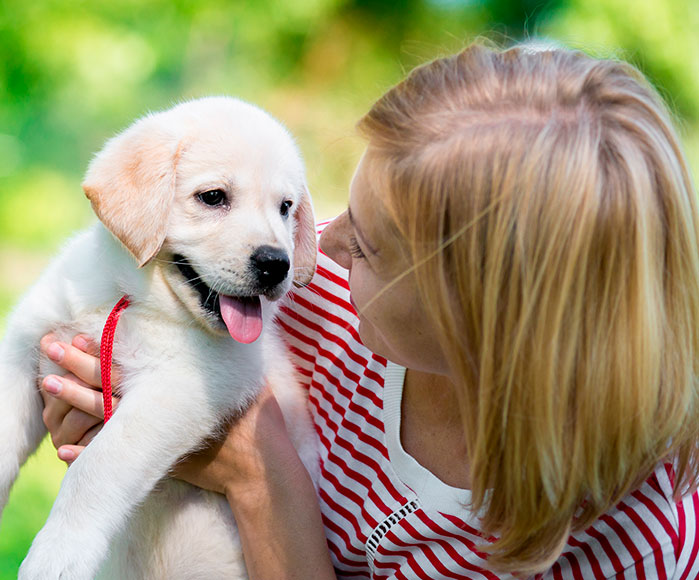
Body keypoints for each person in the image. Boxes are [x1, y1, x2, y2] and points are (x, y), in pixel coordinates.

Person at [37, 42, 699, 578]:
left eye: (370, 246)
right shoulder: (313, 298)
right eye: (345, 207)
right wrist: (91, 401)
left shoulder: (629, 545)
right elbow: (113, 365)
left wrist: (259, 477)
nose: (321, 243)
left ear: (479, 316)